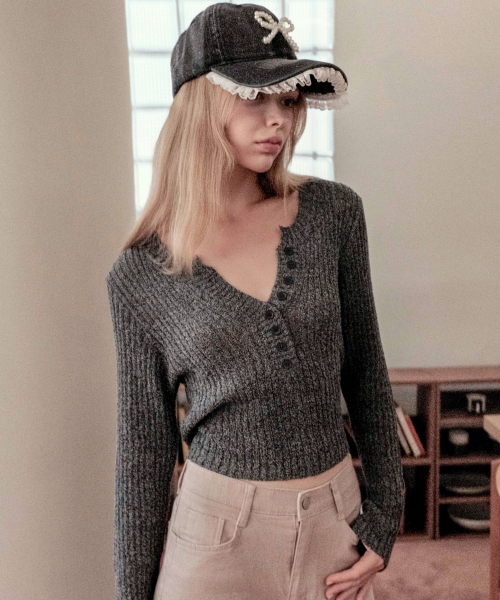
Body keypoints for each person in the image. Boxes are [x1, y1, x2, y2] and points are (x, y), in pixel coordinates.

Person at [105, 3, 405, 600]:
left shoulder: (333, 215)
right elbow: (144, 451)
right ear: (201, 103)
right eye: (255, 97)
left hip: (332, 521)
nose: (279, 121)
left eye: (289, 101)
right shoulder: (140, 273)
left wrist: (385, 517)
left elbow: (366, 371)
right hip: (213, 534)